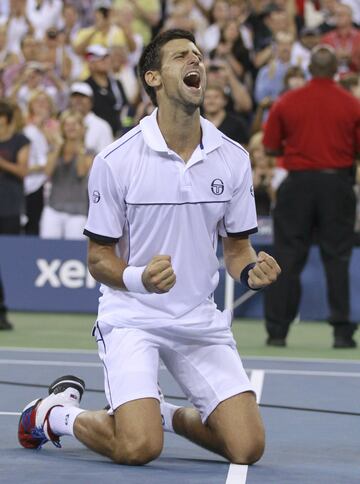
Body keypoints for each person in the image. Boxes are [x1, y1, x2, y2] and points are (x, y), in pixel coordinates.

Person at [18, 29, 280, 465]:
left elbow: (237, 249)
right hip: (132, 318)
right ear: (153, 78)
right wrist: (141, 277)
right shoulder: (116, 160)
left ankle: (159, 411)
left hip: (199, 319)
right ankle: (55, 414)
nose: (195, 60)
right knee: (138, 447)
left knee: (247, 448)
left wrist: (252, 271)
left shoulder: (232, 157)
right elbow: (98, 259)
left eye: (198, 55)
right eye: (181, 56)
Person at [263, 44, 360, 349]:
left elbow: (269, 147)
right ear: (335, 70)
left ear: (309, 70)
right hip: (337, 184)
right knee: (338, 259)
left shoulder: (287, 101)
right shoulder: (352, 105)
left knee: (288, 258)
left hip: (298, 185)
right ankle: (342, 334)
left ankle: (277, 332)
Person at [39, 111, 93, 240]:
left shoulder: (89, 152)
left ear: (82, 128)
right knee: (47, 249)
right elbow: (47, 172)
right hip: (53, 209)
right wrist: (58, 146)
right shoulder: (54, 149)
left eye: (75, 124)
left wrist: (79, 146)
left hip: (77, 212)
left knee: (75, 251)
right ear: (62, 128)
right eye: (67, 124)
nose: (71, 127)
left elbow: (81, 172)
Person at [0, 100, 30, 330]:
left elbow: (22, 171)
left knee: (5, 263)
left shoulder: (20, 141)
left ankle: (2, 311)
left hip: (9, 209)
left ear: (8, 120)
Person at [68, 82, 114, 153]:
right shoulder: (63, 124)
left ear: (91, 101)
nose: (78, 100)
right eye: (75, 96)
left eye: (83, 96)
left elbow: (107, 156)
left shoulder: (102, 126)